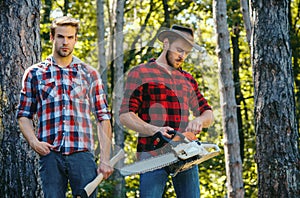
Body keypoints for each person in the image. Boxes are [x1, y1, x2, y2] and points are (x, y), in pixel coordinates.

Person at [16, 16, 113, 198]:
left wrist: (105, 159)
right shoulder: (35, 73)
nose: (65, 42)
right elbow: (23, 115)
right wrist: (33, 142)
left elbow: (103, 117)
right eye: (60, 36)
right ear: (52, 37)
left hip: (82, 155)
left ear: (76, 39)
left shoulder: (89, 74)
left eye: (70, 37)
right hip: (50, 155)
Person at [119, 24, 214, 198]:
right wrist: (155, 130)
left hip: (186, 151)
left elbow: (208, 113)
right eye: (179, 50)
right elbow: (125, 115)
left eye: (186, 52)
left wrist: (199, 120)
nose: (182, 56)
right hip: (152, 153)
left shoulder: (188, 79)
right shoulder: (142, 73)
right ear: (165, 44)